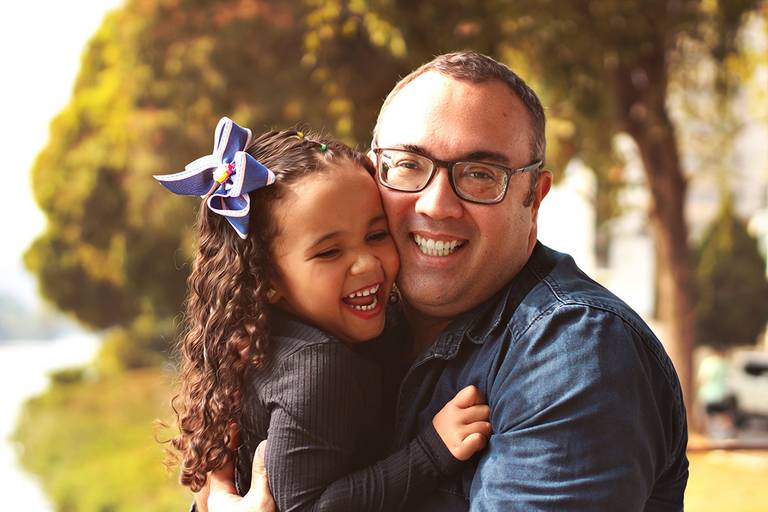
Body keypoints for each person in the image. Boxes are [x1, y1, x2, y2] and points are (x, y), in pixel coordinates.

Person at [221, 50, 690, 510]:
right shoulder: (345, 328)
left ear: (533, 198)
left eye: (482, 174)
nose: (436, 204)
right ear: (372, 174)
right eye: (409, 165)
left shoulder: (572, 352)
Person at [156, 118, 492, 512]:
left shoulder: (268, 337)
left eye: (376, 235)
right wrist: (432, 451)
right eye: (330, 252)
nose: (367, 264)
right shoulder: (318, 364)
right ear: (267, 279)